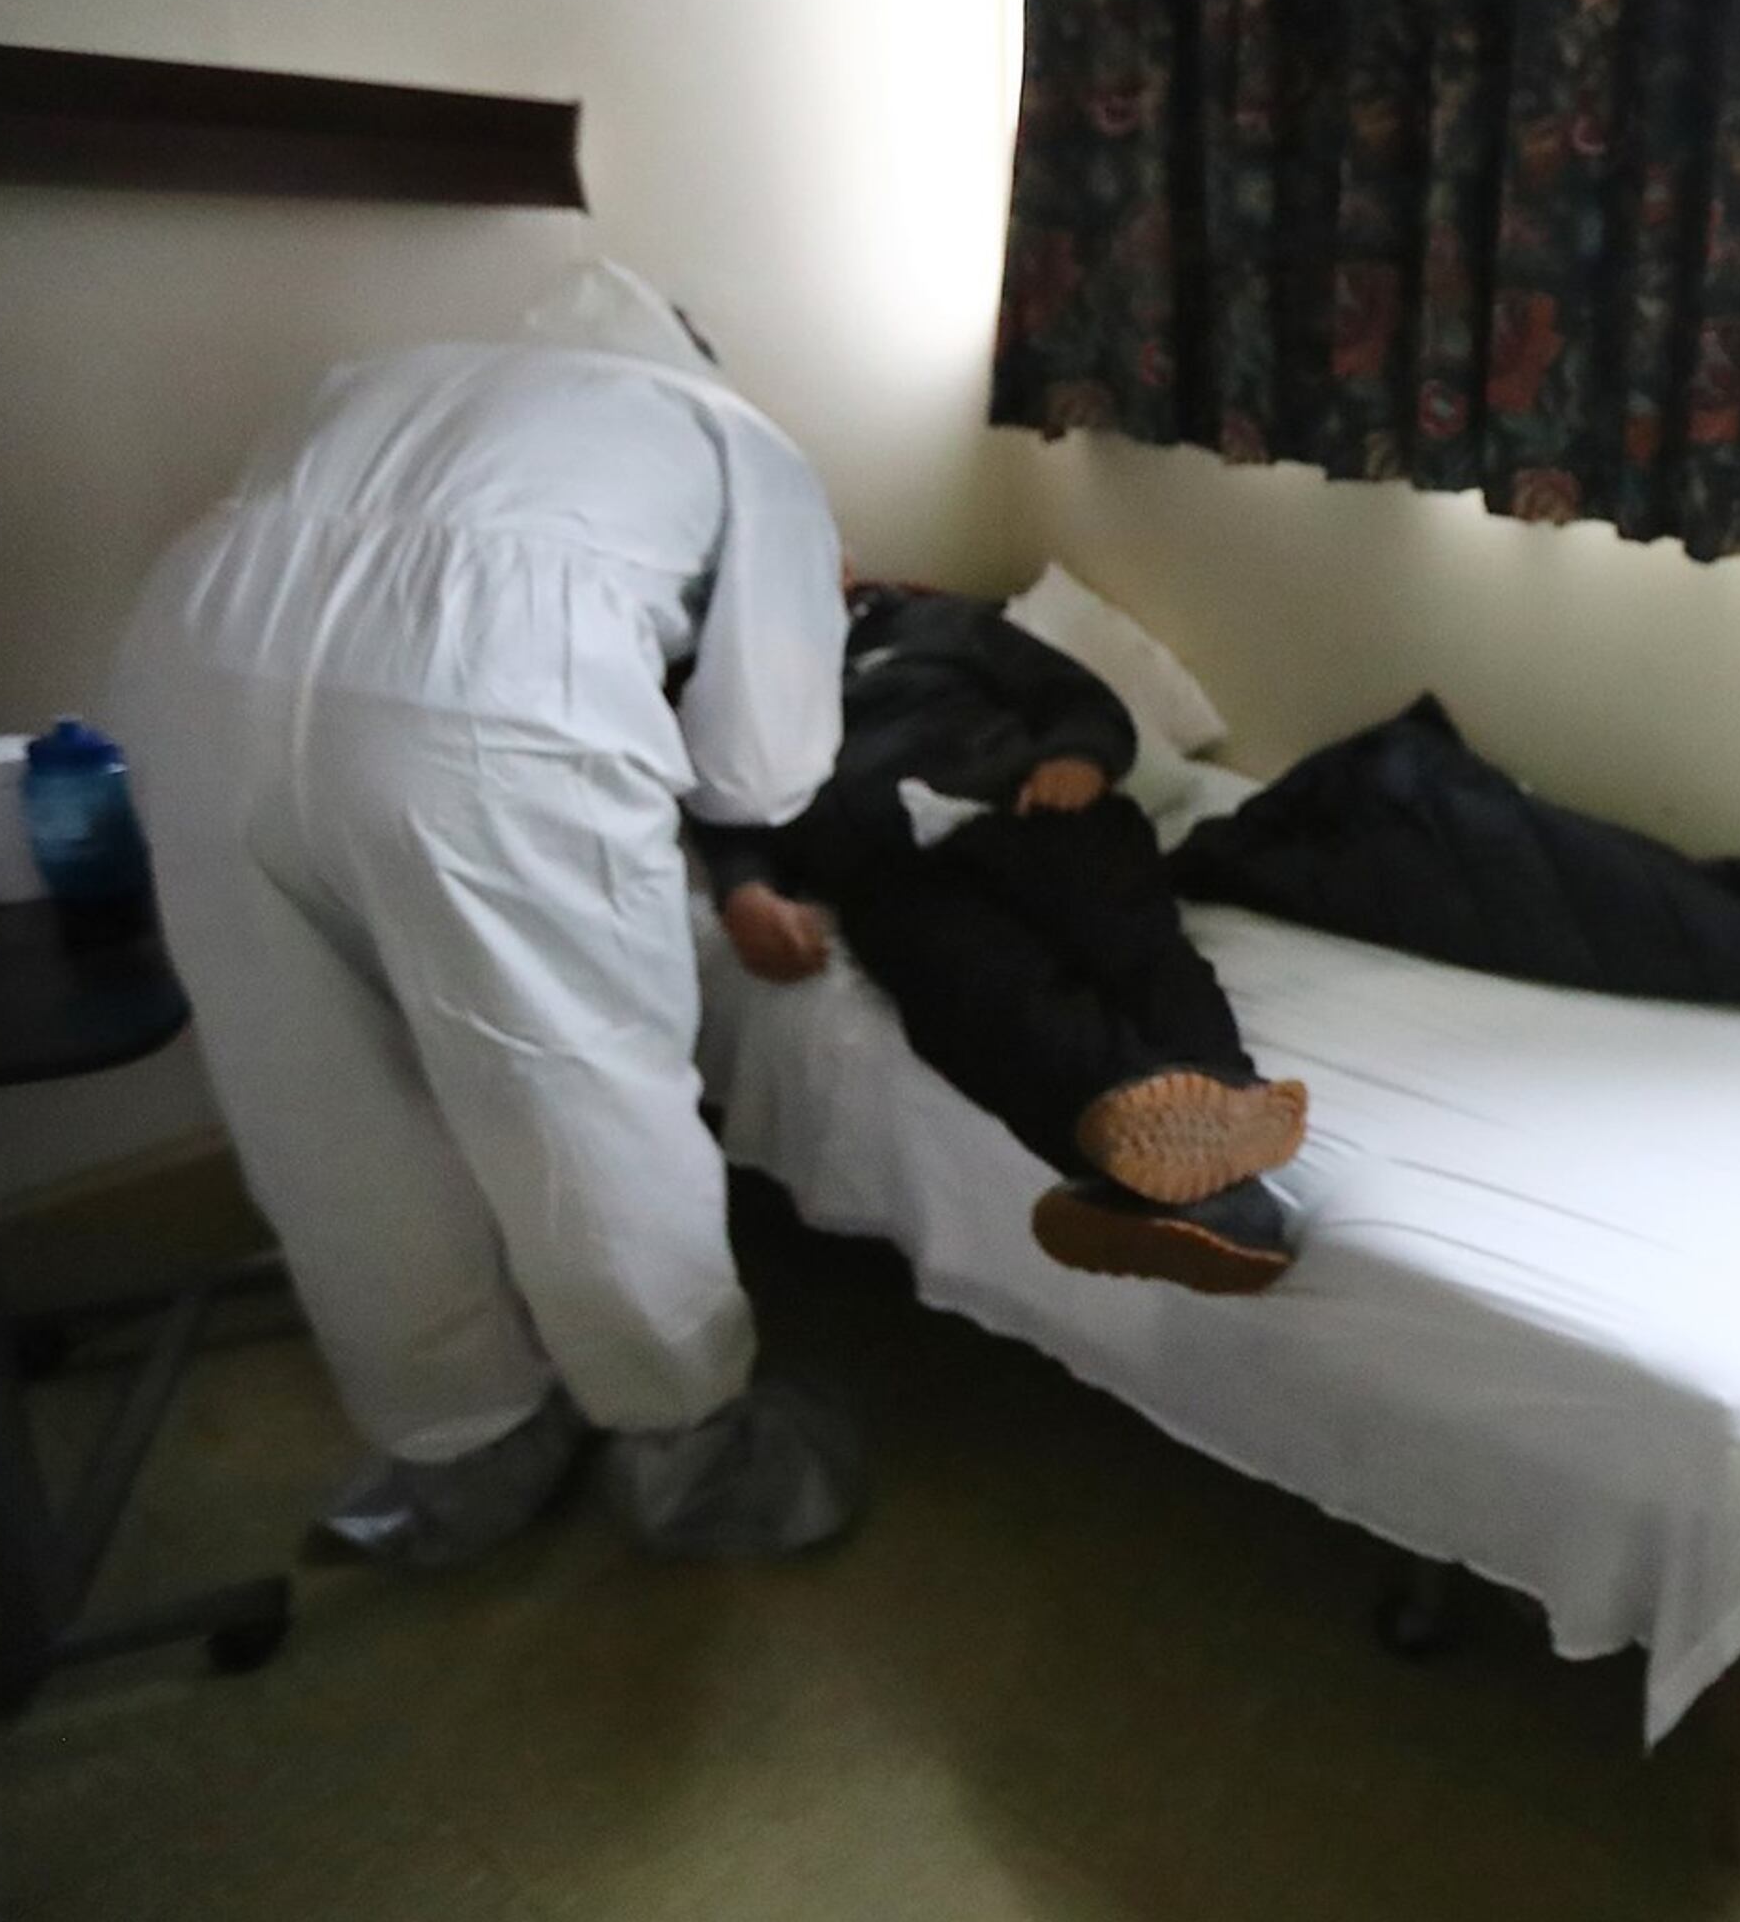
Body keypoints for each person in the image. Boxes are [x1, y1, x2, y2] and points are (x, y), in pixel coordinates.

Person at [112, 266, 864, 1567]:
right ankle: (689, 1449)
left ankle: (461, 1446)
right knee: (581, 1099)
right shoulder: (732, 434)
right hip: (484, 707)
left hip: (193, 679)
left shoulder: (381, 382)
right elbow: (762, 765)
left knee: (321, 1109)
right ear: (699, 356)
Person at [698, 580, 1308, 1293]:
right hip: (893, 868)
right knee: (990, 999)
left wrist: (1078, 756)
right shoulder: (722, 687)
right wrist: (744, 889)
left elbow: (1079, 699)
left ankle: (1175, 1162)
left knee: (1128, 942)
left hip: (1032, 810)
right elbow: (724, 804)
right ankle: (1223, 1158)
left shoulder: (936, 622)